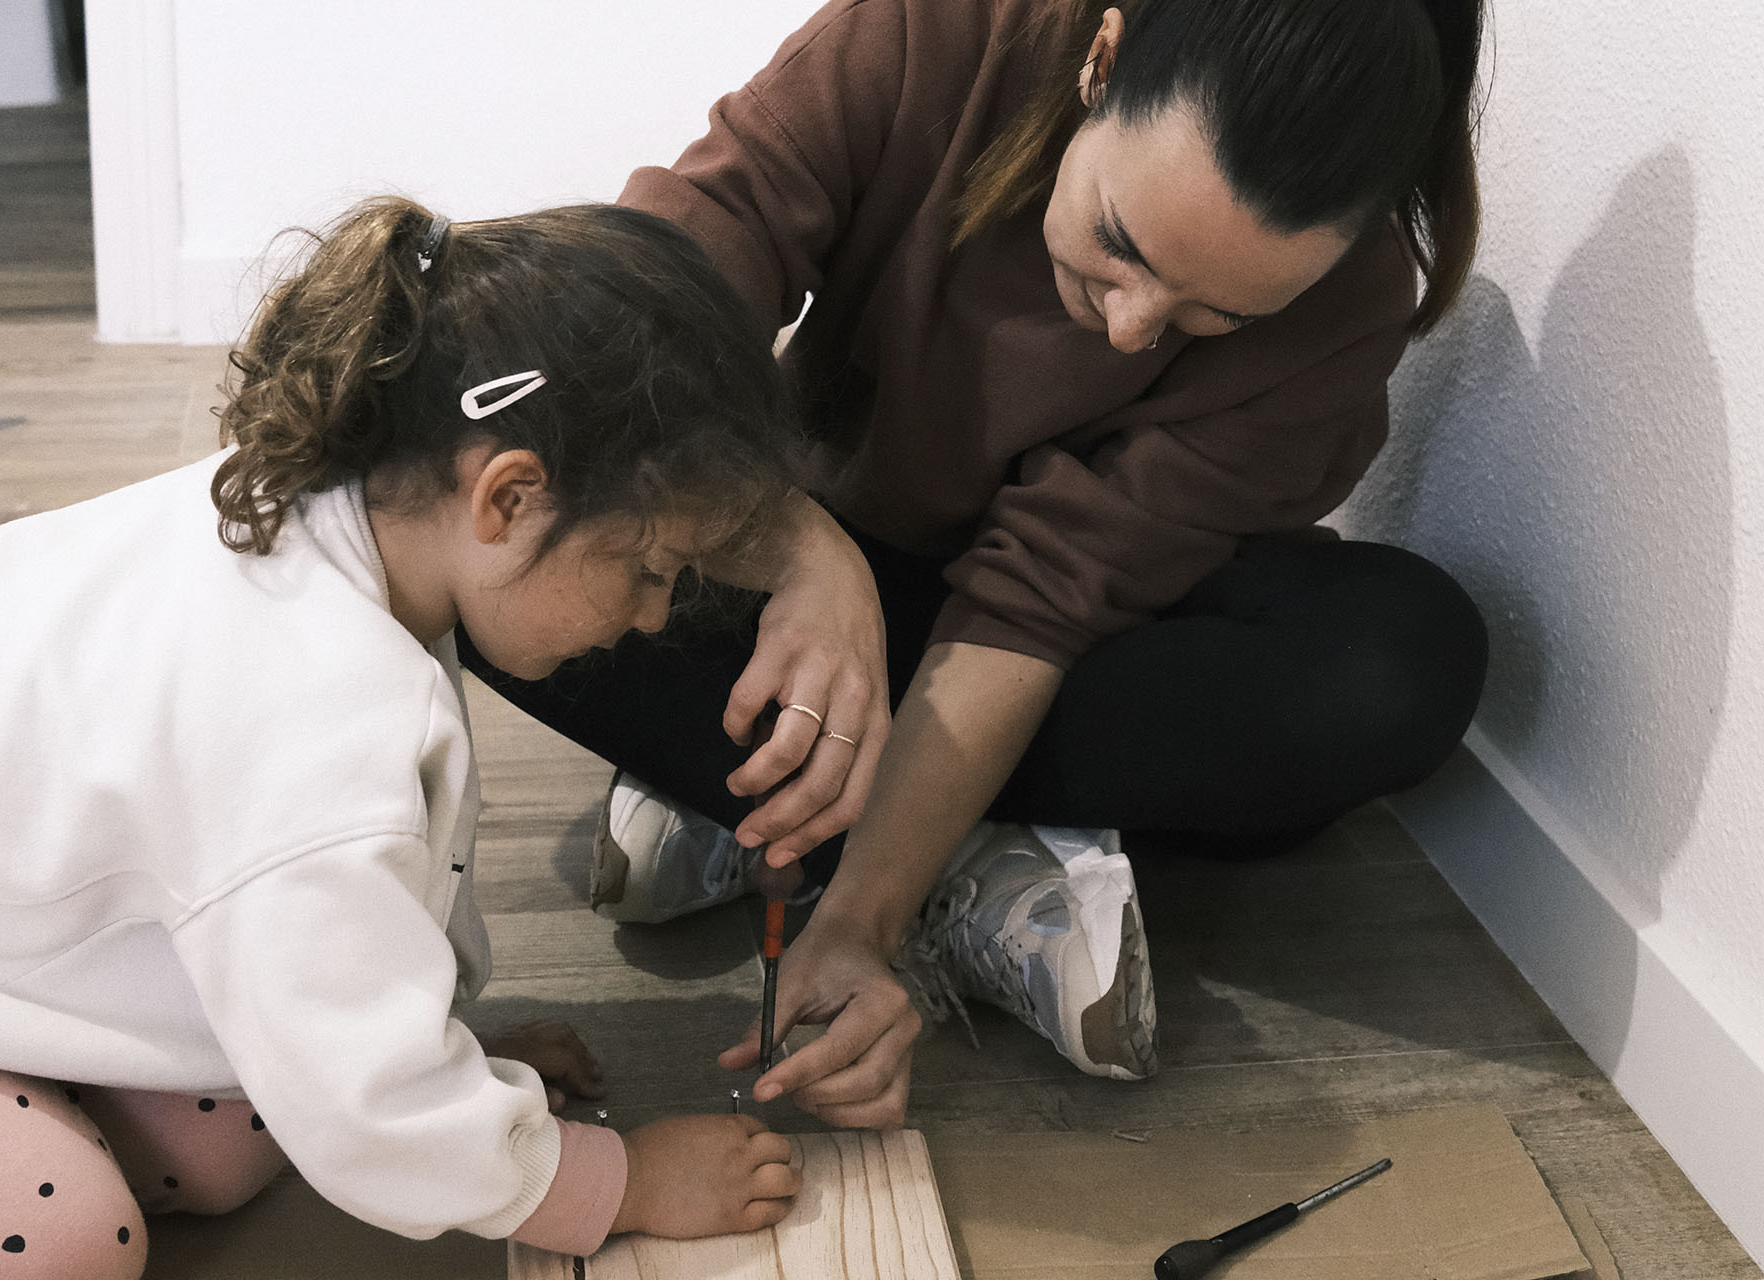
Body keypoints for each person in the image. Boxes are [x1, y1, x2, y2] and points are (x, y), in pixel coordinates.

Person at [470, 0, 1491, 1128]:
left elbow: (1042, 596)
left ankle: (790, 807)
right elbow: (652, 302)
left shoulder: (1348, 304)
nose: (1132, 330)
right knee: (494, 538)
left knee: (1401, 660)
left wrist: (862, 921)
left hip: (1063, 647)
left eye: (1216, 315)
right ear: (1101, 63)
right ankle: (943, 842)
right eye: (1121, 244)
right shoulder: (944, 30)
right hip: (800, 566)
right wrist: (801, 550)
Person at [0, 198, 805, 1278]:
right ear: (508, 497)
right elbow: (368, 1106)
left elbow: (349, 921)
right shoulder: (304, 717)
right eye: (651, 567)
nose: (653, 614)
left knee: (239, 1132)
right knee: (57, 1240)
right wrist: (606, 1179)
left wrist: (445, 1068)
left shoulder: (343, 530)